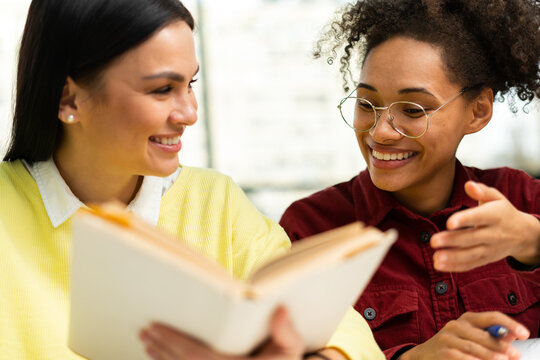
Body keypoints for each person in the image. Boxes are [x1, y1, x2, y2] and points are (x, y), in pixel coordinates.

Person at [0, 0, 384, 359]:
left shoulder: (216, 203)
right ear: (68, 99)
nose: (189, 113)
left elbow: (348, 336)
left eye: (191, 85)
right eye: (163, 89)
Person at [279, 0, 540, 359]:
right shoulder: (311, 229)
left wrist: (531, 239)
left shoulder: (521, 198)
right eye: (367, 104)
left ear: (477, 111)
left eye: (413, 110)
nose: (381, 132)